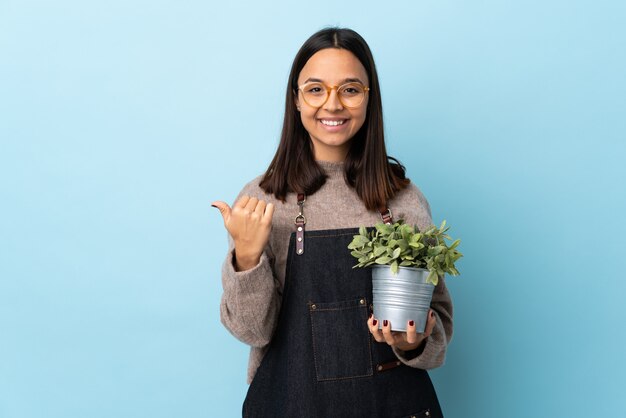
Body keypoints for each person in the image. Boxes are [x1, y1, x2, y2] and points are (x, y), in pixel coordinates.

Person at [212, 27, 453, 418]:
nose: (333, 104)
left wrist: (410, 342)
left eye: (350, 89)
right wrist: (247, 257)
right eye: (316, 89)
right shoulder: (262, 200)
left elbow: (437, 332)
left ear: (369, 98)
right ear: (296, 100)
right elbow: (252, 333)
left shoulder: (404, 200)